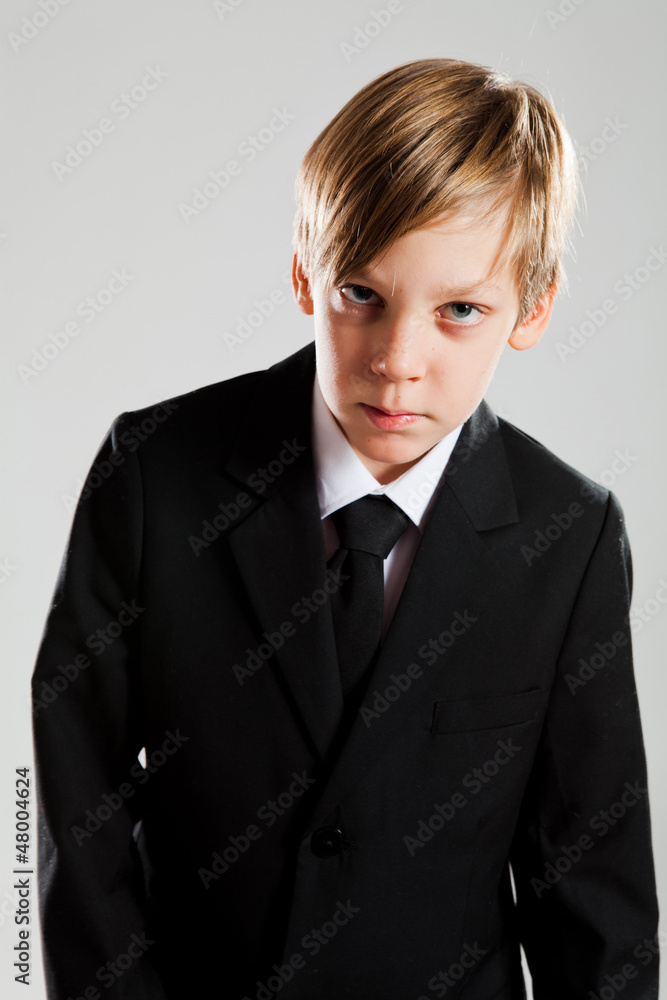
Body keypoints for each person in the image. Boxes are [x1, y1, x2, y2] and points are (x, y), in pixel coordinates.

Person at [32, 58, 659, 999]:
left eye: (459, 311)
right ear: (303, 271)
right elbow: (74, 791)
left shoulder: (569, 536)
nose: (397, 361)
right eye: (361, 294)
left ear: (531, 309)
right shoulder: (157, 473)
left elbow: (593, 884)